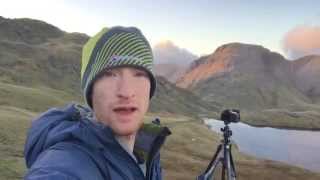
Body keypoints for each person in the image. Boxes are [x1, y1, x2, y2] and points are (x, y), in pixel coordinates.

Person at [24, 26, 171, 180]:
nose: (126, 92)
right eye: (110, 74)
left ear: (150, 88)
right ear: (91, 91)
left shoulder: (144, 152)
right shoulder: (63, 166)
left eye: (139, 74)